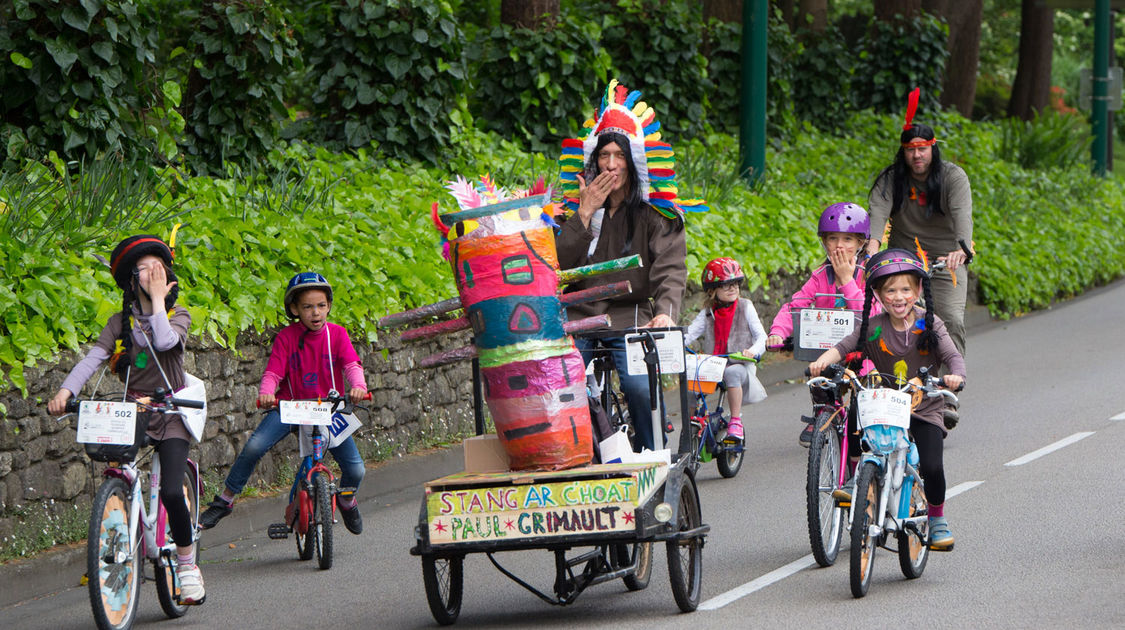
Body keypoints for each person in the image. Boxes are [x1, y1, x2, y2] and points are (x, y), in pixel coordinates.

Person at [48, 234, 206, 604]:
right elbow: (94, 358)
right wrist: (65, 392)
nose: (154, 275)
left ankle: (186, 564)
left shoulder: (176, 314)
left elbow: (165, 343)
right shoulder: (119, 322)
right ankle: (119, 536)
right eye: (145, 271)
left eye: (159, 269)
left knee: (169, 490)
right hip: (132, 411)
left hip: (171, 412)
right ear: (130, 282)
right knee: (118, 471)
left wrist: (155, 302)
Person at [556, 79, 703, 452]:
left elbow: (671, 270)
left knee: (639, 386)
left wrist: (667, 312)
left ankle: (653, 455)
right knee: (562, 386)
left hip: (630, 314)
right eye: (603, 156)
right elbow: (557, 264)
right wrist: (585, 212)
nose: (610, 164)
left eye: (618, 156)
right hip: (578, 314)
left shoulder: (655, 213)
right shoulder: (572, 208)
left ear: (633, 161)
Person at [808, 249, 966, 550]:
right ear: (878, 294)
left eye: (906, 289)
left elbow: (953, 357)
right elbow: (843, 346)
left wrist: (956, 377)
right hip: (884, 405)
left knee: (932, 466)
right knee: (857, 403)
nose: (898, 297)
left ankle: (936, 519)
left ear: (918, 290)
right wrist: (821, 362)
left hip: (923, 407)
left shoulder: (930, 324)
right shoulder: (874, 326)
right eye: (890, 290)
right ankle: (856, 475)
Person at [199, 272, 368, 534]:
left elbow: (351, 365)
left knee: (356, 470)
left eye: (321, 306)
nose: (316, 313)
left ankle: (346, 500)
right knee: (255, 445)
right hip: (291, 406)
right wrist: (267, 393)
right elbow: (273, 373)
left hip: (329, 409)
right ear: (294, 309)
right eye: (308, 307)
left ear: (329, 306)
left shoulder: (337, 335)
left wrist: (358, 387)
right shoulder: (287, 337)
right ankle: (225, 499)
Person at [867, 88, 973, 359]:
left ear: (932, 148)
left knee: (950, 318)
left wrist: (962, 249)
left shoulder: (952, 177)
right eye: (911, 150)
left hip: (945, 261)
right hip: (904, 262)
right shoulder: (892, 178)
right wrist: (873, 246)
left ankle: (951, 382)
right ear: (903, 153)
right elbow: (878, 211)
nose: (917, 156)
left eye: (923, 149)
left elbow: (963, 213)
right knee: (893, 320)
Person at [764, 202, 878, 446]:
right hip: (831, 348)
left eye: (848, 239)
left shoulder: (870, 275)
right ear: (824, 242)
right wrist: (778, 332)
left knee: (868, 386)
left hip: (864, 348)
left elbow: (870, 314)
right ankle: (823, 410)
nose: (839, 246)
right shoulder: (820, 276)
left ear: (861, 243)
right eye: (833, 238)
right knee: (818, 372)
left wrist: (847, 280)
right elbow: (796, 306)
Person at [684, 258, 768, 444]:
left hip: (739, 366)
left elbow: (762, 337)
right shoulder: (707, 312)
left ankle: (735, 420)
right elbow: (689, 334)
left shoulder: (746, 307)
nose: (733, 289)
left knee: (733, 372)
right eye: (726, 285)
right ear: (712, 291)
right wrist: (675, 344)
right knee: (690, 382)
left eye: (735, 284)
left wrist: (753, 351)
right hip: (712, 367)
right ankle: (692, 422)